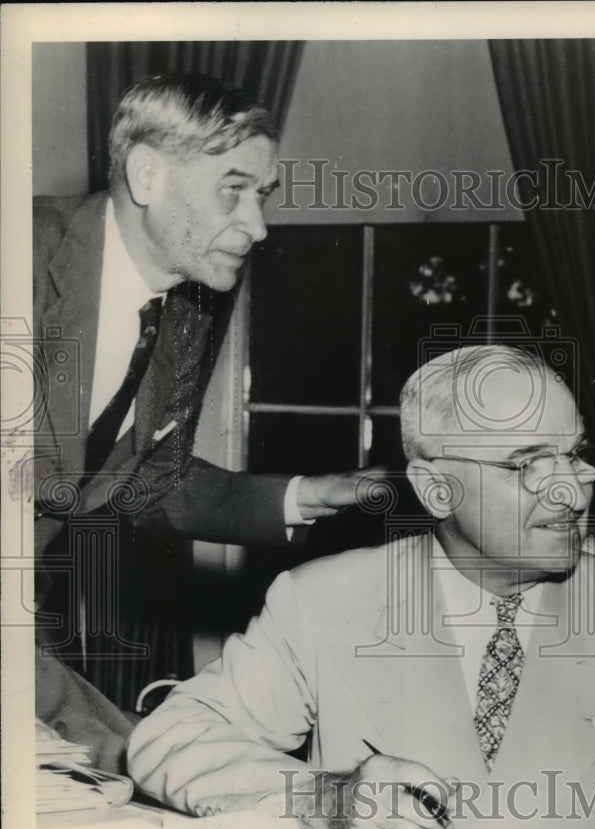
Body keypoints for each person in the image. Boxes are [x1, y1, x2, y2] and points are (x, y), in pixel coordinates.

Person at [127, 345, 595, 829]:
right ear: (436, 488)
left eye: (576, 455)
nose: (571, 492)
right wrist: (325, 797)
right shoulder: (323, 601)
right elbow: (170, 740)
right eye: (526, 463)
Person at [33, 73, 381, 770]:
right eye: (234, 189)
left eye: (263, 196)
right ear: (147, 173)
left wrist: (301, 494)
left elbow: (148, 480)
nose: (258, 226)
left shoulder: (185, 311)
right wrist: (129, 753)